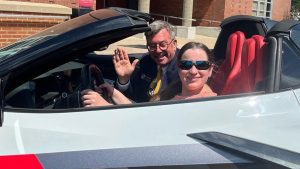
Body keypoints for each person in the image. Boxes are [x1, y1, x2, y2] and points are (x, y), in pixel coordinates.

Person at [113, 20, 179, 102]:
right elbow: (133, 97)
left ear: (174, 44)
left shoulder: (185, 66)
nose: (158, 50)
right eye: (152, 46)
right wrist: (124, 79)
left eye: (163, 44)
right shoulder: (144, 62)